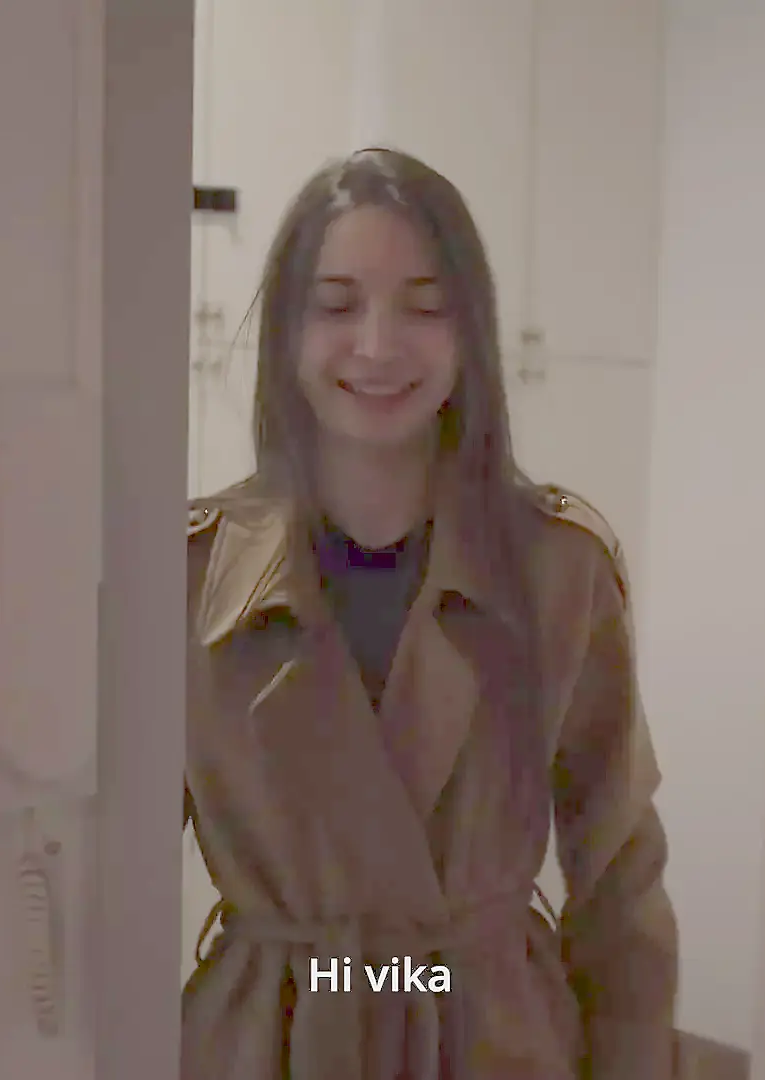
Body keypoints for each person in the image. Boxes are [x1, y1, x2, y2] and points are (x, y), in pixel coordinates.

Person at [182, 147, 678, 1079]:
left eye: (423, 305)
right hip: (267, 1040)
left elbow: (620, 879)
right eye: (337, 306)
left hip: (490, 1036)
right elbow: (112, 878)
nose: (377, 346)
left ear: (470, 332)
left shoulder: (557, 572)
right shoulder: (194, 578)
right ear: (286, 333)